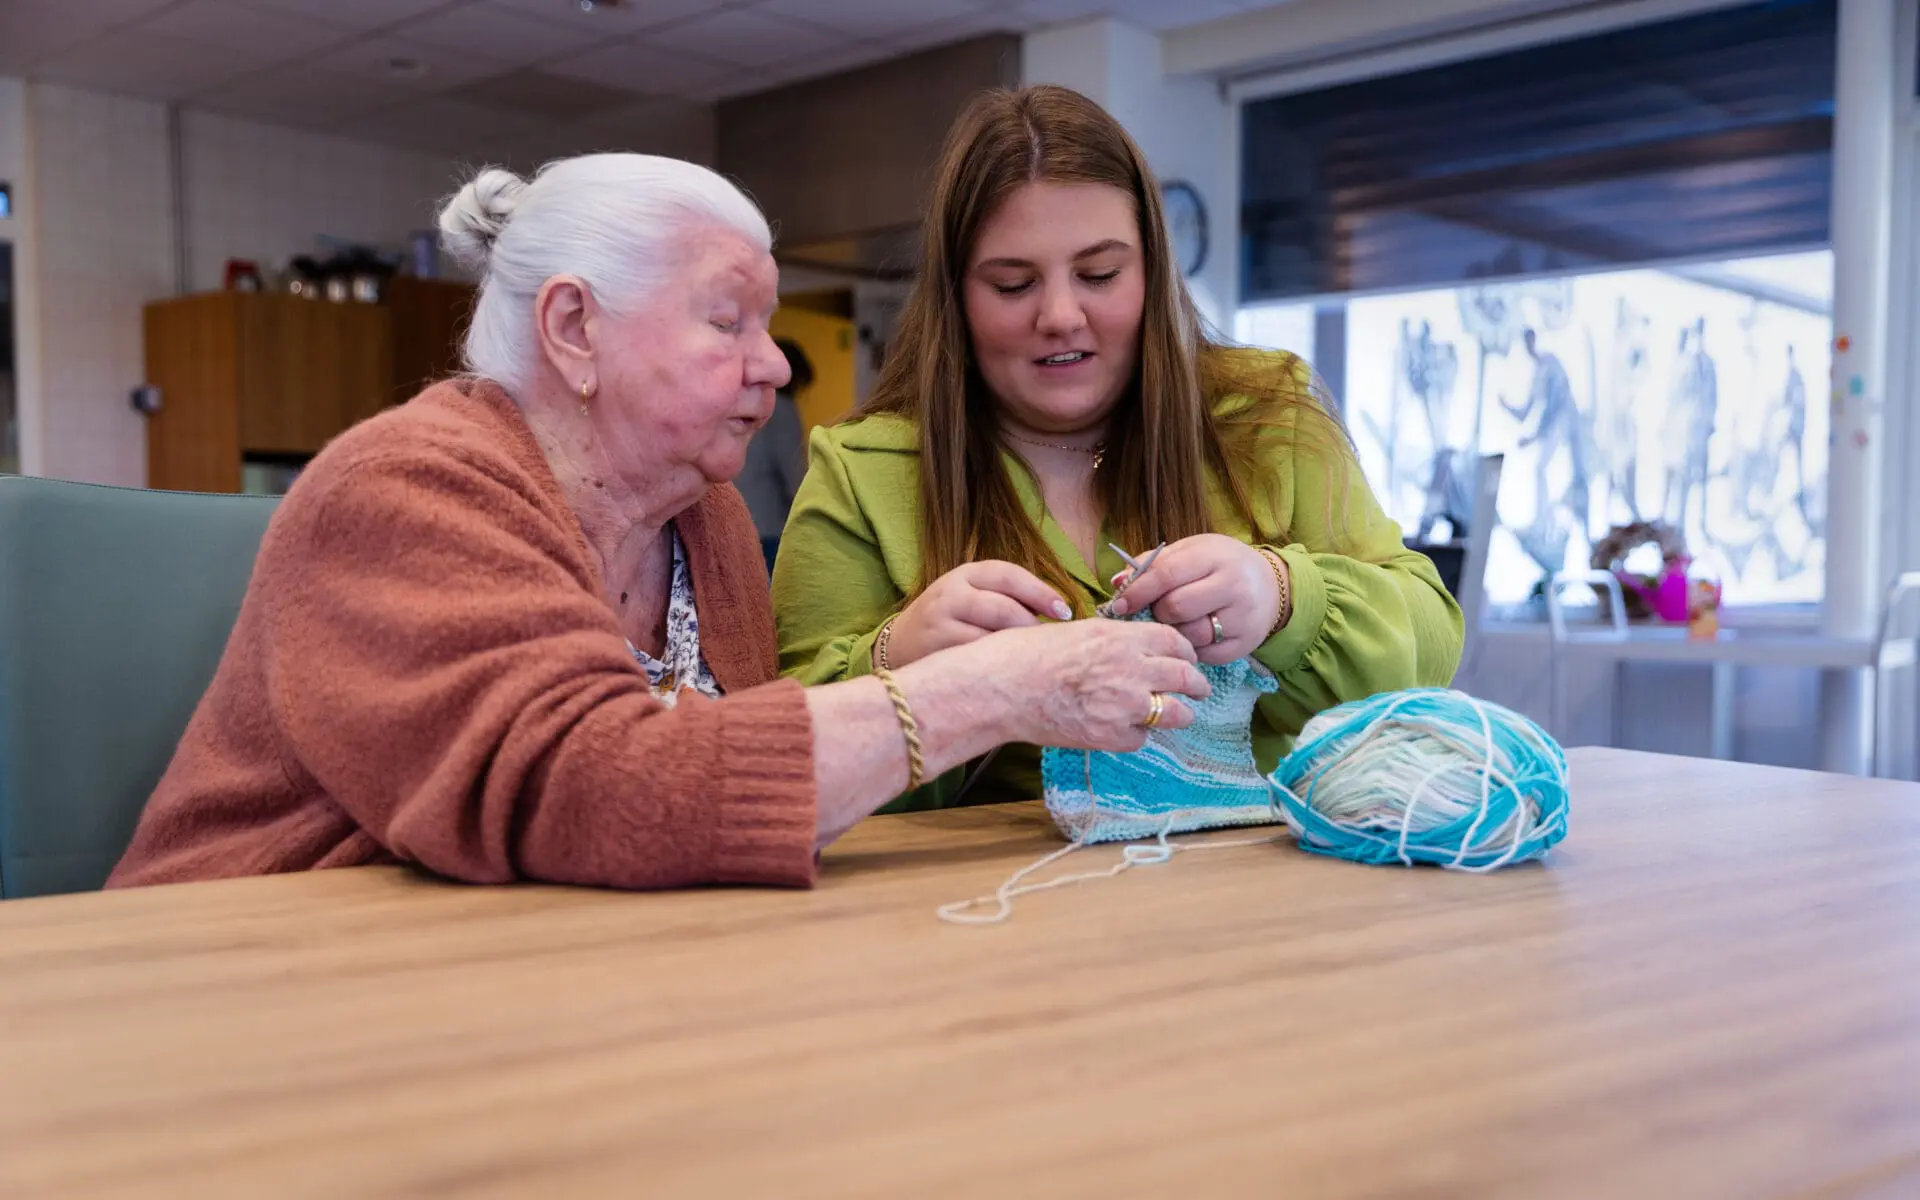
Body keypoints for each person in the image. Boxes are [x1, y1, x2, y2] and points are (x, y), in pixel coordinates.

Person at [107, 153, 1211, 892]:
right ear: (575, 327)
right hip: (250, 996)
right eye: (727, 319)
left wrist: (905, 669)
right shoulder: (401, 490)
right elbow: (596, 792)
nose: (775, 365)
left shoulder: (704, 512)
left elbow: (717, 789)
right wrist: (1002, 689)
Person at [772, 86, 1463, 812]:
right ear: (955, 298)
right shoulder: (864, 472)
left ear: (1153, 271)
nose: (1061, 316)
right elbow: (782, 762)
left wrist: (1285, 597)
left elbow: (1430, 645)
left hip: (1261, 896)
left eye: (1100, 275)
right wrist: (899, 660)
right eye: (1013, 285)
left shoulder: (1264, 416)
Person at [736, 337, 811, 573]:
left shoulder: (741, 401)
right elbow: (794, 475)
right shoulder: (782, 409)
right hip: (769, 528)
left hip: (736, 522)